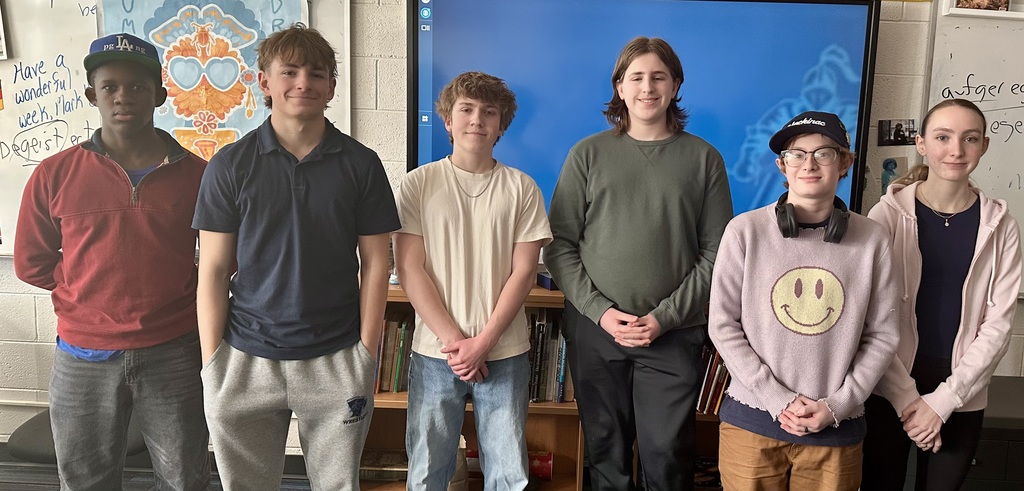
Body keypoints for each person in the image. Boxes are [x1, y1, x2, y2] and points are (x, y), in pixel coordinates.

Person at [192, 24, 399, 490]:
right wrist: (213, 362)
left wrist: (366, 353)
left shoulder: (361, 164)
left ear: (331, 86)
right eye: (289, 71)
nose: (303, 82)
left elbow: (377, 264)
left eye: (317, 73)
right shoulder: (230, 165)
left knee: (337, 485)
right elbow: (214, 269)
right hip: (244, 356)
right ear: (265, 82)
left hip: (338, 353)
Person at [14, 33, 211, 490]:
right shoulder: (55, 174)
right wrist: (86, 287)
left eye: (139, 87)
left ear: (160, 95)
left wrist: (179, 289)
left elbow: (227, 257)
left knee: (184, 478)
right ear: (92, 95)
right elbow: (31, 261)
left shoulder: (199, 175)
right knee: (86, 480)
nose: (124, 97)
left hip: (175, 350)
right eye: (110, 87)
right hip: (82, 356)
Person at [544, 36, 733, 491]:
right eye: (637, 78)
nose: (647, 87)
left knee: (667, 457)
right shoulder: (587, 154)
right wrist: (602, 313)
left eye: (658, 77)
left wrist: (663, 318)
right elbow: (559, 246)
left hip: (674, 335)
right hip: (596, 331)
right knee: (605, 454)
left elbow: (717, 254)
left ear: (675, 85)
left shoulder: (704, 159)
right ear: (620, 88)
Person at [708, 111, 899, 491]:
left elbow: (883, 335)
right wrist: (776, 398)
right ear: (782, 164)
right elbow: (722, 324)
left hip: (837, 429)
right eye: (797, 154)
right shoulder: (744, 232)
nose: (809, 164)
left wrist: (837, 406)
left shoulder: (873, 239)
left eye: (824, 153)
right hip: (754, 422)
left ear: (844, 162)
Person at [394, 71, 552, 490]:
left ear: (501, 125)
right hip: (434, 353)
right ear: (447, 119)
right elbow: (410, 269)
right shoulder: (418, 184)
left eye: (489, 112)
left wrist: (481, 344)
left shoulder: (522, 188)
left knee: (508, 471)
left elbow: (525, 272)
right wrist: (456, 344)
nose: (476, 119)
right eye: (466, 109)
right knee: (428, 468)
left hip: (504, 351)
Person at [862, 98, 1022, 490]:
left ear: (983, 146)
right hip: (887, 388)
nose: (956, 150)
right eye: (943, 137)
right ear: (921, 144)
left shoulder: (1002, 227)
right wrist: (908, 400)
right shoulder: (884, 217)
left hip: (962, 394)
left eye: (969, 139)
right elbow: (868, 317)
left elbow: (998, 327)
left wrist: (942, 403)